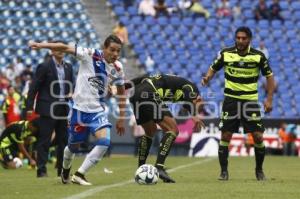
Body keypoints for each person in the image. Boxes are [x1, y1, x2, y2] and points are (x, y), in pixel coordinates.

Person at [28, 34, 126, 185]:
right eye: (112, 50)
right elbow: (65, 48)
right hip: (78, 111)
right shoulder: (90, 54)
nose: (115, 54)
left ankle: (80, 174)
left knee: (105, 141)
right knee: (73, 146)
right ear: (104, 48)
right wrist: (41, 45)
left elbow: (121, 92)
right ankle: (65, 169)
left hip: (97, 111)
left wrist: (121, 117)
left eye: (118, 51)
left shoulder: (118, 68)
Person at [202, 26, 275, 181]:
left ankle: (259, 171)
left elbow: (269, 77)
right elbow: (213, 67)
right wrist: (208, 77)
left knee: (258, 136)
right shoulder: (226, 53)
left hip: (250, 101)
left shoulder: (258, 56)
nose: (240, 41)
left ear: (249, 40)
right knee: (226, 135)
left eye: (243, 38)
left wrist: (269, 99)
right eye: (238, 38)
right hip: (231, 100)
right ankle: (223, 172)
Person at [126, 74, 204, 183]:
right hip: (149, 93)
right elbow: (188, 93)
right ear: (199, 98)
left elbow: (144, 77)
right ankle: (159, 167)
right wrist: (195, 115)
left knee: (150, 131)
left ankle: (141, 168)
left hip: (135, 95)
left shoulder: (176, 89)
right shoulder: (192, 89)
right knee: (173, 130)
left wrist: (123, 86)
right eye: (199, 106)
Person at [26, 41, 74, 177]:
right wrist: (29, 106)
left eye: (61, 48)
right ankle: (41, 170)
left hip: (63, 107)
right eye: (56, 48)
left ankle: (61, 170)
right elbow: (34, 86)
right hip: (47, 107)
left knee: (63, 140)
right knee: (44, 139)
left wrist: (71, 93)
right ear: (51, 51)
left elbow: (71, 86)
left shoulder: (69, 67)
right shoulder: (44, 66)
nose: (60, 50)